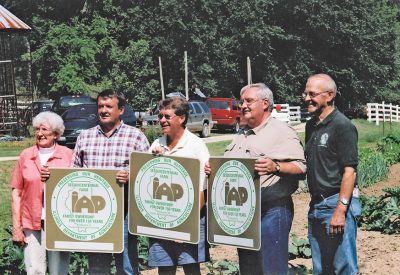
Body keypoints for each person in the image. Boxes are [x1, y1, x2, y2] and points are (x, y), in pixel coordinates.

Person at [205, 83, 306, 274]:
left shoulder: (281, 132)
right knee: (249, 269)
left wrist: (276, 166)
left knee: (272, 268)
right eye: (241, 101)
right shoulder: (242, 134)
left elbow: (301, 167)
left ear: (265, 103)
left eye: (249, 101)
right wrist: (215, 170)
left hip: (271, 211)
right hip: (243, 213)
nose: (243, 105)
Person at [72, 89, 149, 274]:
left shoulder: (136, 137)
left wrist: (131, 176)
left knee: (127, 266)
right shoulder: (85, 137)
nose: (103, 110)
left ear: (121, 110)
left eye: (109, 106)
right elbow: (74, 173)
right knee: (98, 266)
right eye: (100, 106)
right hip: (95, 214)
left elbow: (148, 176)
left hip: (124, 213)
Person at [303, 74, 361, 275]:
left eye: (312, 94)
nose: (306, 98)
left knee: (344, 268)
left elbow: (349, 172)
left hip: (335, 204)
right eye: (305, 93)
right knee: (321, 269)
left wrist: (340, 210)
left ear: (329, 95)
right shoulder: (311, 126)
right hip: (316, 205)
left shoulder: (342, 126)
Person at [148, 97, 210, 275]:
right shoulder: (156, 144)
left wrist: (183, 226)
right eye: (160, 116)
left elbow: (203, 190)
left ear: (181, 118)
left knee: (191, 268)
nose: (161, 120)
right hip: (161, 220)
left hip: (190, 218)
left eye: (167, 116)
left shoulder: (195, 145)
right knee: (165, 269)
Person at [11, 111, 72, 275]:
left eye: (44, 129)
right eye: (37, 129)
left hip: (60, 222)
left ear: (56, 133)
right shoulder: (26, 155)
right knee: (34, 269)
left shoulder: (67, 155)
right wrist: (17, 227)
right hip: (31, 221)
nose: (39, 133)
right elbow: (16, 193)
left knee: (59, 270)